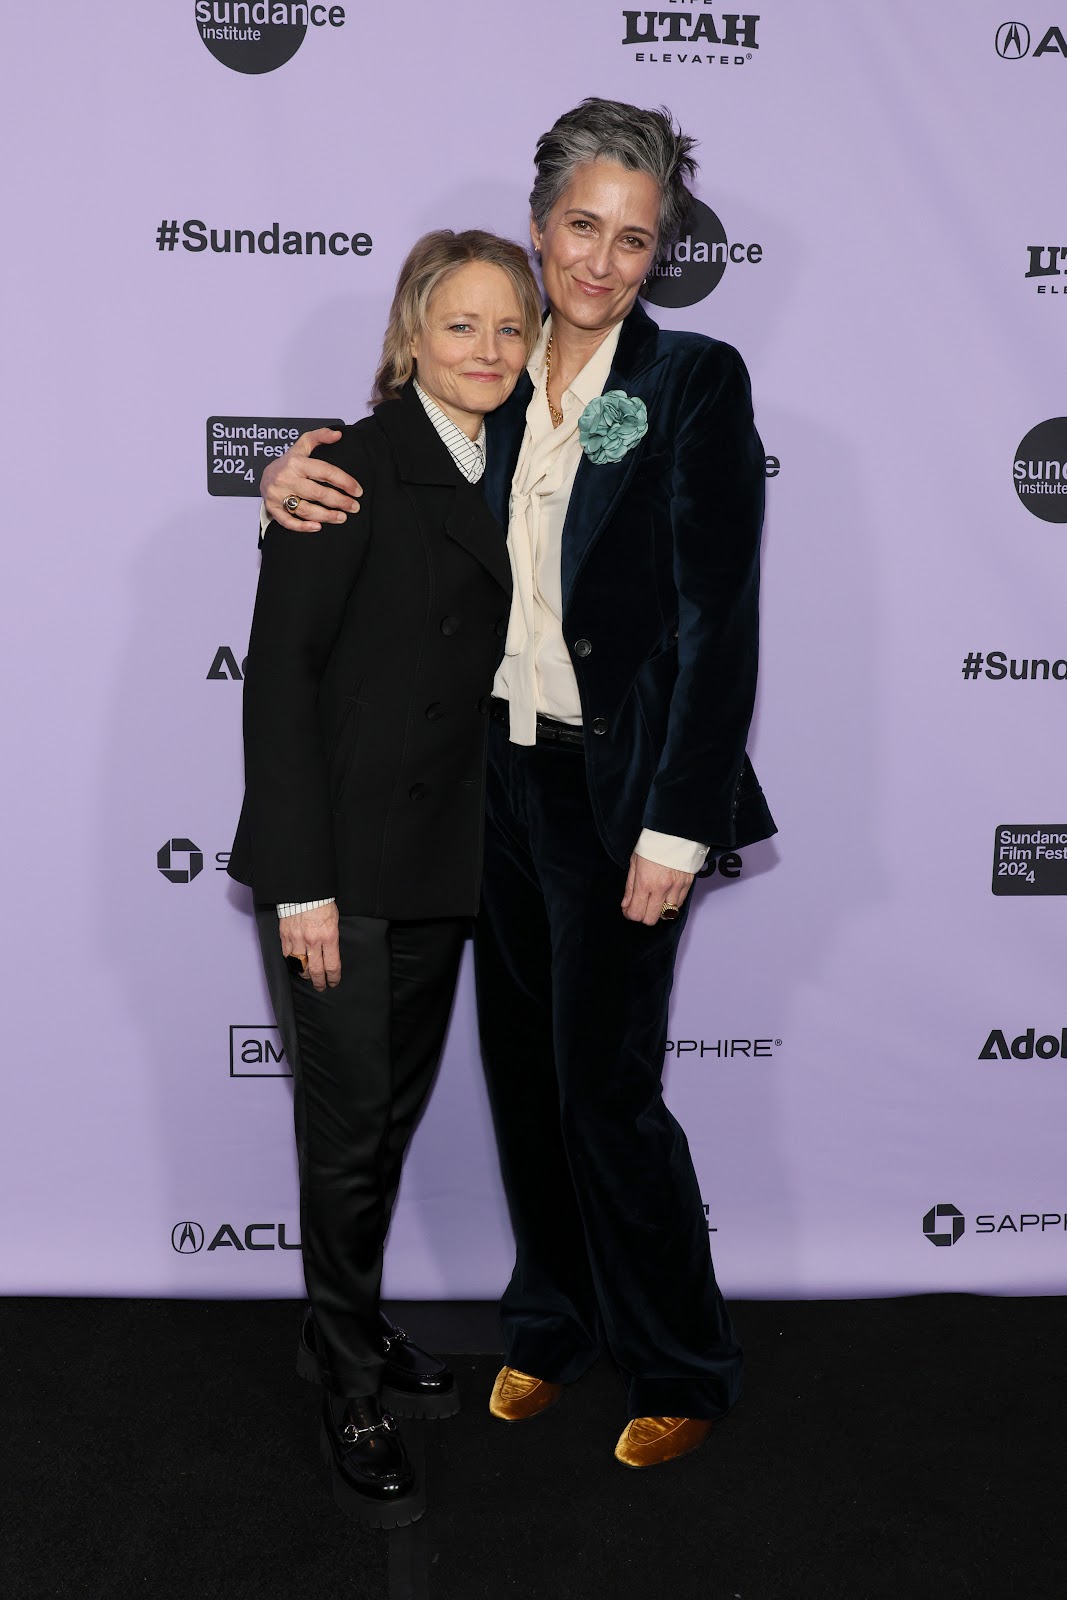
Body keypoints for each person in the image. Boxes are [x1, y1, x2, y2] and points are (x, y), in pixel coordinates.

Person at [260, 98, 776, 1470]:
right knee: (520, 1080)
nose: (605, 261)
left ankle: (678, 1357)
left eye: (637, 238)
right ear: (542, 223)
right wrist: (289, 471)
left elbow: (718, 626)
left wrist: (679, 823)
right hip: (486, 791)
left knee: (608, 1091)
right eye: (584, 228)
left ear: (663, 253)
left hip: (621, 805)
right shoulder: (489, 359)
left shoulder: (693, 386)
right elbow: (389, 468)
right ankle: (550, 1324)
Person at [228, 228, 541, 1524]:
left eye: (510, 330)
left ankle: (339, 1327)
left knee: (384, 1124)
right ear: (414, 334)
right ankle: (348, 1382)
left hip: (445, 863)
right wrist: (300, 884)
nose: (487, 351)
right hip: (342, 871)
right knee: (349, 1136)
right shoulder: (343, 473)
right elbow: (279, 681)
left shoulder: (525, 464)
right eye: (461, 325)